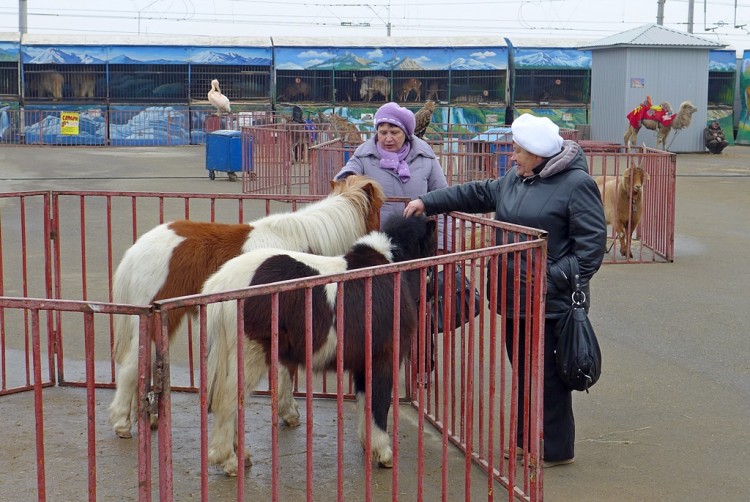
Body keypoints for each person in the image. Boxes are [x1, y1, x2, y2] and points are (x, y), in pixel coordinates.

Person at [403, 113, 607, 468]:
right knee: (525, 372)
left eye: (518, 151)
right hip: (515, 296)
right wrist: (428, 201)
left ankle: (553, 447)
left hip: (550, 302)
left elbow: (590, 248)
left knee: (547, 375)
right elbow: (478, 192)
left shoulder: (577, 184)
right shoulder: (517, 178)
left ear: (538, 154)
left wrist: (550, 277)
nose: (512, 156)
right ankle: (525, 440)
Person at [333, 101, 448, 240]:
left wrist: (443, 246)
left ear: (406, 132)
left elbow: (443, 199)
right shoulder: (364, 155)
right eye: (382, 133)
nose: (388, 139)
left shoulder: (425, 156)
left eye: (394, 132)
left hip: (416, 243)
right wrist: (348, 180)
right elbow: (343, 178)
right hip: (377, 242)